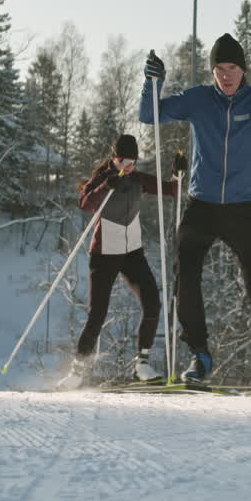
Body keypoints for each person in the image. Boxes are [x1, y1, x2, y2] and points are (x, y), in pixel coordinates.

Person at [139, 34, 251, 389]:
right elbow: (149, 115)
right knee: (184, 274)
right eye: (220, 69)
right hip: (200, 205)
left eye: (232, 68)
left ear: (243, 69)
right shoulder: (199, 99)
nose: (226, 75)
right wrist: (152, 84)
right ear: (213, 71)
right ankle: (199, 356)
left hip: (241, 209)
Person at [57, 134, 183, 390]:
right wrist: (106, 186)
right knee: (97, 314)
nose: (129, 166)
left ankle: (142, 364)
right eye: (124, 160)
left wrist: (178, 173)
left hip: (132, 253)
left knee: (152, 302)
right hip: (104, 254)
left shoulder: (137, 179)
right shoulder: (104, 178)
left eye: (133, 161)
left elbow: (171, 189)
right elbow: (84, 202)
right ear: (114, 158)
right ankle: (77, 372)